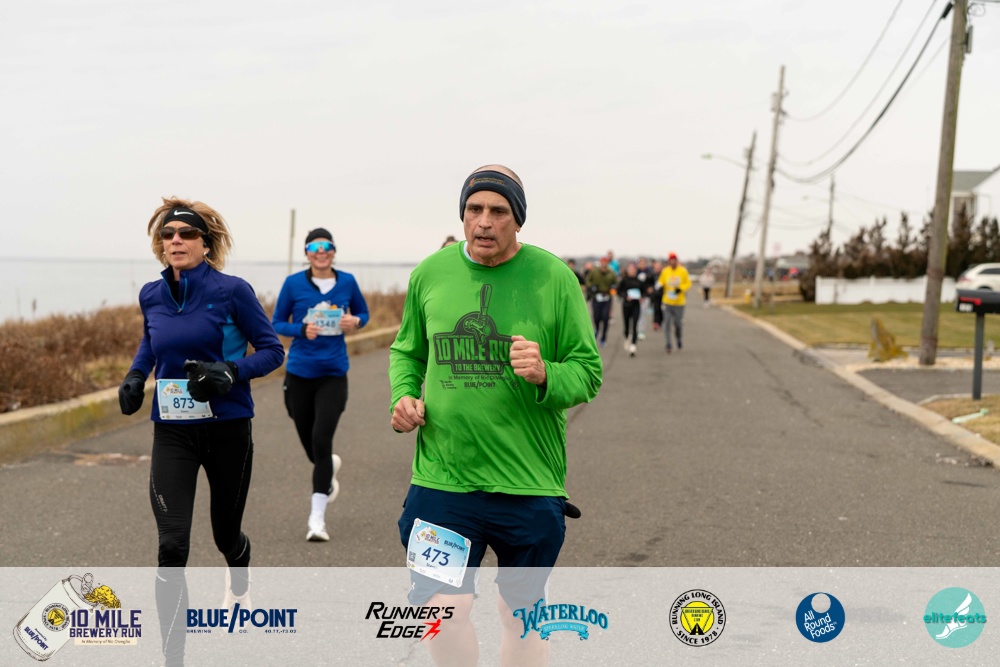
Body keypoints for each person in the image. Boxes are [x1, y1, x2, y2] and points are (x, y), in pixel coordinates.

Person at [389, 164, 602, 667]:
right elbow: (407, 351)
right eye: (474, 209)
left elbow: (588, 372)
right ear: (462, 214)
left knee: (519, 616)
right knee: (442, 612)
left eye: (499, 211)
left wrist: (546, 373)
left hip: (527, 482)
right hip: (443, 479)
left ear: (518, 220)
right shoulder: (430, 273)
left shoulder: (554, 278)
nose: (484, 221)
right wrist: (403, 395)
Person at [117, 197, 284, 664]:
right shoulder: (151, 294)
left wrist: (231, 370)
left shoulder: (232, 291)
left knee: (225, 535)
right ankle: (174, 657)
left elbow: (272, 350)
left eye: (187, 233)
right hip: (173, 431)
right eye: (168, 234)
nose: (176, 240)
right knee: (172, 545)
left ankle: (239, 576)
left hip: (228, 429)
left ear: (205, 244)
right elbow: (150, 342)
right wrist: (135, 376)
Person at [272, 228, 369, 542]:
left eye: (326, 246)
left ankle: (317, 520)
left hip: (333, 374)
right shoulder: (293, 284)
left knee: (321, 438)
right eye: (314, 247)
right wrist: (301, 329)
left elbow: (363, 313)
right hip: (299, 374)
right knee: (311, 444)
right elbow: (276, 323)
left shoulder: (347, 282)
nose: (321, 251)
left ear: (333, 251)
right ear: (307, 253)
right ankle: (326, 469)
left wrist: (356, 321)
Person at [657, 252, 691, 353]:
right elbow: (661, 281)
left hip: (679, 303)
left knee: (677, 324)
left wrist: (681, 288)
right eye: (670, 261)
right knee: (667, 323)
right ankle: (668, 344)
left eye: (674, 260)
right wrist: (658, 287)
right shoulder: (665, 271)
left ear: (676, 261)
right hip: (667, 302)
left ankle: (679, 338)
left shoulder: (682, 271)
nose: (672, 262)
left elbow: (688, 283)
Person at [585, 256, 616, 347]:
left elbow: (615, 282)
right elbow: (588, 280)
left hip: (607, 297)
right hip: (596, 296)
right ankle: (597, 329)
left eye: (606, 263)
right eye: (603, 262)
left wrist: (613, 287)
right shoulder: (594, 272)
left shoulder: (611, 273)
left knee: (605, 317)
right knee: (596, 316)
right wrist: (591, 286)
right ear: (600, 263)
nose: (604, 264)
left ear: (607, 264)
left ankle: (603, 338)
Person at [617, 262, 645, 357]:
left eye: (634, 269)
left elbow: (644, 292)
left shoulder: (639, 281)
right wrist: (626, 296)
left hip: (636, 305)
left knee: (635, 325)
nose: (632, 271)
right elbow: (619, 292)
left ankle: (633, 345)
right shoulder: (624, 281)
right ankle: (626, 337)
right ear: (628, 270)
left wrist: (642, 297)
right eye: (630, 269)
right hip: (626, 305)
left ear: (636, 270)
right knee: (627, 326)